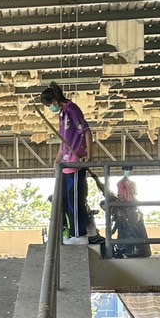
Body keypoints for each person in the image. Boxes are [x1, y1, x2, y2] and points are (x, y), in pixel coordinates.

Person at [40, 83, 94, 244]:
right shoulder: (62, 114)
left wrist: (89, 156)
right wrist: (57, 159)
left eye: (49, 105)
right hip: (66, 163)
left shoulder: (72, 109)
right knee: (66, 200)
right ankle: (71, 232)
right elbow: (64, 141)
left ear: (54, 101)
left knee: (75, 200)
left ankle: (79, 234)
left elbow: (86, 131)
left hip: (77, 162)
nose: (50, 108)